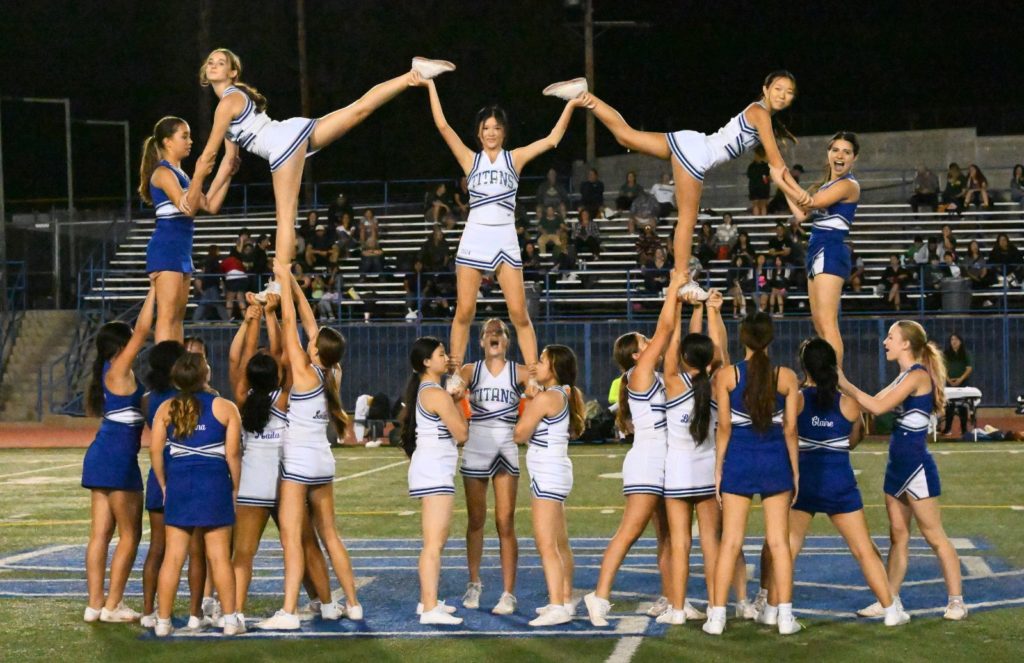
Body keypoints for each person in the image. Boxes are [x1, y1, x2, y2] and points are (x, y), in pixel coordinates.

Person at [194, 48, 454, 267]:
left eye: (221, 63)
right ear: (206, 72)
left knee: (284, 217)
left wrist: (192, 192)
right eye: (211, 63)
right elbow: (229, 162)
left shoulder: (227, 103)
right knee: (358, 110)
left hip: (282, 144)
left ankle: (280, 283)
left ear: (233, 73)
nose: (214, 65)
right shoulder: (228, 104)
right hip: (290, 133)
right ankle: (413, 74)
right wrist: (205, 196)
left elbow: (208, 155)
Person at [556, 71, 796, 293]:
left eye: (789, 92)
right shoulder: (761, 113)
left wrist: (797, 200)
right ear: (765, 89)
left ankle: (583, 94)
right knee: (687, 220)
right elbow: (777, 164)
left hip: (693, 143)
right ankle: (683, 280)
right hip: (698, 153)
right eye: (778, 88)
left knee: (625, 136)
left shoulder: (762, 115)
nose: (783, 95)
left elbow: (776, 167)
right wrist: (800, 199)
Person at [416, 76, 584, 391]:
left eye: (496, 128)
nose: (491, 132)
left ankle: (534, 378)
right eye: (485, 128)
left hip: (505, 238)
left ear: (503, 132)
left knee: (519, 312)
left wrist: (574, 102)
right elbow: (442, 127)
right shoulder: (470, 159)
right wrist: (429, 85)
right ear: (479, 133)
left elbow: (551, 140)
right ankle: (454, 374)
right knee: (464, 310)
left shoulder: (514, 158)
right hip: (475, 237)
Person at [758, 338, 909, 628]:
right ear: (833, 366)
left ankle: (772, 609)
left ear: (804, 367)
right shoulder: (849, 403)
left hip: (803, 483)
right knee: (863, 549)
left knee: (786, 548)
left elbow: (784, 431)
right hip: (839, 483)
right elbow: (855, 439)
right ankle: (891, 610)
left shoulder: (798, 398)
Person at [256, 261, 361, 629]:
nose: (309, 339)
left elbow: (292, 324)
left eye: (313, 341)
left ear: (316, 349)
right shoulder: (331, 371)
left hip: (299, 465)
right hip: (324, 463)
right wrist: (291, 282)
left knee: (292, 540)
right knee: (330, 536)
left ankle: (288, 612)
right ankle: (351, 602)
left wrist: (284, 292)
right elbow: (309, 322)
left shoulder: (303, 370)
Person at [838, 321, 967, 621]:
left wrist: (842, 381)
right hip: (897, 466)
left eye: (891, 337)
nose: (885, 342)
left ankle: (957, 601)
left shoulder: (918, 376)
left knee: (935, 536)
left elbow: (877, 407)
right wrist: (841, 387)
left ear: (906, 344)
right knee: (898, 536)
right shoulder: (903, 376)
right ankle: (890, 600)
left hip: (916, 467)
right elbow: (870, 405)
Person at [584, 271, 687, 628]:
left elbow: (669, 335)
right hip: (647, 461)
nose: (650, 344)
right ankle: (598, 596)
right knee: (629, 532)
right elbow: (665, 331)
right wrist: (673, 289)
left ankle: (672, 599)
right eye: (645, 342)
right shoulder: (639, 374)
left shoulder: (654, 376)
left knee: (668, 537)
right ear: (636, 353)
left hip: (663, 459)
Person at [228, 299, 334, 621]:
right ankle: (325, 604)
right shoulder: (286, 397)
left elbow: (247, 360)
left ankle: (236, 614)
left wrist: (254, 320)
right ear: (277, 374)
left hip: (253, 481)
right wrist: (274, 314)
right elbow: (285, 354)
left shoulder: (242, 398)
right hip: (285, 478)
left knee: (243, 555)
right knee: (305, 543)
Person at [704, 312, 801, 636]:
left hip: (741, 461)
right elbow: (790, 430)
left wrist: (718, 470)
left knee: (730, 542)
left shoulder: (727, 376)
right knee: (779, 543)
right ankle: (785, 617)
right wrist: (795, 472)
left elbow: (724, 429)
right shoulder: (786, 376)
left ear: (742, 338)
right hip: (775, 461)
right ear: (770, 339)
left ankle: (716, 617)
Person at [659, 290, 741, 625]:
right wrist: (712, 311)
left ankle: (678, 610)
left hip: (677, 471)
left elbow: (671, 344)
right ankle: (714, 606)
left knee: (680, 544)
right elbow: (719, 350)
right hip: (709, 470)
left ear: (683, 357)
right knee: (712, 543)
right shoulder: (719, 380)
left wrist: (678, 304)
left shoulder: (673, 383)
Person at [149, 352, 243, 637]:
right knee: (219, 557)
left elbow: (154, 451)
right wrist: (236, 489)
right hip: (214, 483)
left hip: (180, 483)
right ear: (206, 375)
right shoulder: (225, 407)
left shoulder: (166, 407)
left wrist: (165, 485)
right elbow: (233, 454)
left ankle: (163, 622)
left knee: (173, 558)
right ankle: (229, 621)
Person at [80, 286, 156, 624]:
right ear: (120, 347)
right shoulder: (119, 368)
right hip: (118, 458)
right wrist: (155, 290)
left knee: (100, 534)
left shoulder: (110, 373)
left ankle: (94, 605)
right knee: (131, 534)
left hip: (101, 454)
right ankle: (112, 605)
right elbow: (142, 330)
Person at [140, 116, 238, 343]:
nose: (190, 141)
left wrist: (226, 172)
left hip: (181, 252)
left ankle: (176, 370)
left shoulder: (182, 175)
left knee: (178, 319)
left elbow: (210, 205)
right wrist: (200, 174)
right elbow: (187, 209)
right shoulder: (163, 173)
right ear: (167, 142)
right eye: (184, 136)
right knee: (167, 317)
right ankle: (166, 369)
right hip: (166, 249)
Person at [456, 320, 528, 615]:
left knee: (505, 521)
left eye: (500, 332)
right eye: (489, 332)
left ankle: (508, 592)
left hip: (506, 448)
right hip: (475, 446)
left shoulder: (520, 372)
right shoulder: (470, 371)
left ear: (507, 341)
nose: (494, 335)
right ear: (482, 341)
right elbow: (451, 392)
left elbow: (541, 394)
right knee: (475, 519)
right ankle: (474, 582)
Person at [140, 340, 211, 631]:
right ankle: (196, 613)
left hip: (159, 479)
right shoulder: (192, 399)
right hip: (186, 476)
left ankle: (149, 611)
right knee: (195, 550)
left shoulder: (148, 399)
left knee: (158, 548)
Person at [398, 337, 470, 624]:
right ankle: (429, 607)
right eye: (440, 354)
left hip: (434, 466)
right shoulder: (435, 393)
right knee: (433, 543)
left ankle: (429, 601)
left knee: (436, 540)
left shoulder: (430, 390)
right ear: (426, 361)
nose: (446, 357)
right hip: (434, 468)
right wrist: (459, 400)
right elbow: (462, 433)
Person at [772, 131, 861, 362]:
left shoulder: (848, 185)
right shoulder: (825, 185)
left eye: (847, 152)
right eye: (836, 150)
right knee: (819, 323)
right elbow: (801, 214)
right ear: (828, 154)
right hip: (816, 250)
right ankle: (826, 377)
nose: (840, 155)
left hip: (831, 248)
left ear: (854, 159)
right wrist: (782, 182)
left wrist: (783, 179)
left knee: (828, 323)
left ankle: (836, 380)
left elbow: (811, 203)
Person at [514, 345, 585, 626]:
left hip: (548, 472)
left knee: (546, 544)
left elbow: (520, 433)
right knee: (559, 542)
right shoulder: (559, 394)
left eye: (542, 361)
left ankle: (557, 604)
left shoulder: (547, 398)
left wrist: (529, 400)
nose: (536, 365)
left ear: (554, 368)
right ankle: (565, 600)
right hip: (555, 470)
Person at [941, 333, 973, 437]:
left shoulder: (965, 353)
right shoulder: (945, 354)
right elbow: (941, 368)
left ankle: (963, 429)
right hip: (949, 382)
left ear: (961, 341)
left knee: (962, 405)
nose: (954, 342)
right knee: (949, 405)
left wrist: (960, 379)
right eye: (952, 340)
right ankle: (947, 429)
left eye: (956, 339)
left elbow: (969, 368)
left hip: (962, 383)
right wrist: (948, 379)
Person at [747, 146, 771, 215]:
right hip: (763, 187)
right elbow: (769, 177)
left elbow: (749, 175)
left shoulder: (752, 166)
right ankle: (762, 219)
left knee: (756, 204)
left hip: (754, 186)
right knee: (762, 204)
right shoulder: (765, 166)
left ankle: (757, 219)